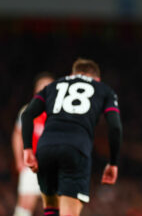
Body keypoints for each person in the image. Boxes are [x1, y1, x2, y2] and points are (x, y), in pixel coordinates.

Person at [21, 58, 123, 216]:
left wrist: (27, 149)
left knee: (51, 209)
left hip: (45, 148)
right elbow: (115, 127)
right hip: (75, 148)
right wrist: (113, 162)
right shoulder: (103, 89)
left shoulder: (53, 86)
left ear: (72, 75)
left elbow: (27, 114)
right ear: (96, 79)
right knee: (69, 212)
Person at [12, 72, 54, 216]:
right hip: (31, 164)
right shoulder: (27, 111)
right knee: (25, 205)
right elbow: (17, 135)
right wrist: (19, 161)